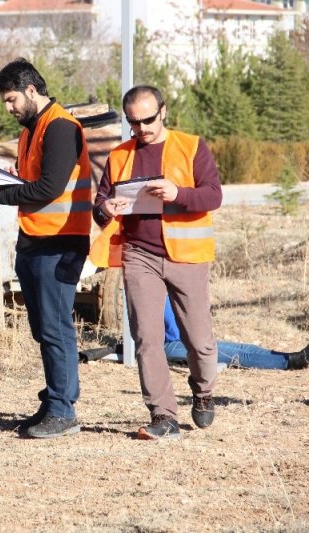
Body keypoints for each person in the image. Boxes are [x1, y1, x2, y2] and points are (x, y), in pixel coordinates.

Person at [90, 84, 222, 440]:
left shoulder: (191, 146)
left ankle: (204, 390)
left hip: (187, 257)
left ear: (163, 111)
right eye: (134, 122)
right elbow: (101, 202)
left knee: (199, 339)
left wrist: (177, 193)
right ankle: (163, 415)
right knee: (146, 337)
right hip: (138, 253)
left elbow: (213, 195)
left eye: (148, 119)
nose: (142, 128)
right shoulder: (119, 155)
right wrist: (105, 208)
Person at [0, 58, 92, 439]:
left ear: (32, 90)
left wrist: (3, 193)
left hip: (59, 242)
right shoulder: (31, 130)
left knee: (55, 327)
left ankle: (63, 409)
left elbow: (49, 188)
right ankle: (55, 400)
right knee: (42, 327)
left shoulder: (60, 126)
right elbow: (35, 182)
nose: (8, 107)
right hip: (34, 239)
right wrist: (11, 182)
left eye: (12, 99)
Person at [163, 297, 309, 370]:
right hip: (171, 344)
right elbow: (171, 329)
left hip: (186, 337)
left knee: (245, 348)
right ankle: (291, 361)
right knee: (236, 356)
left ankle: (293, 356)